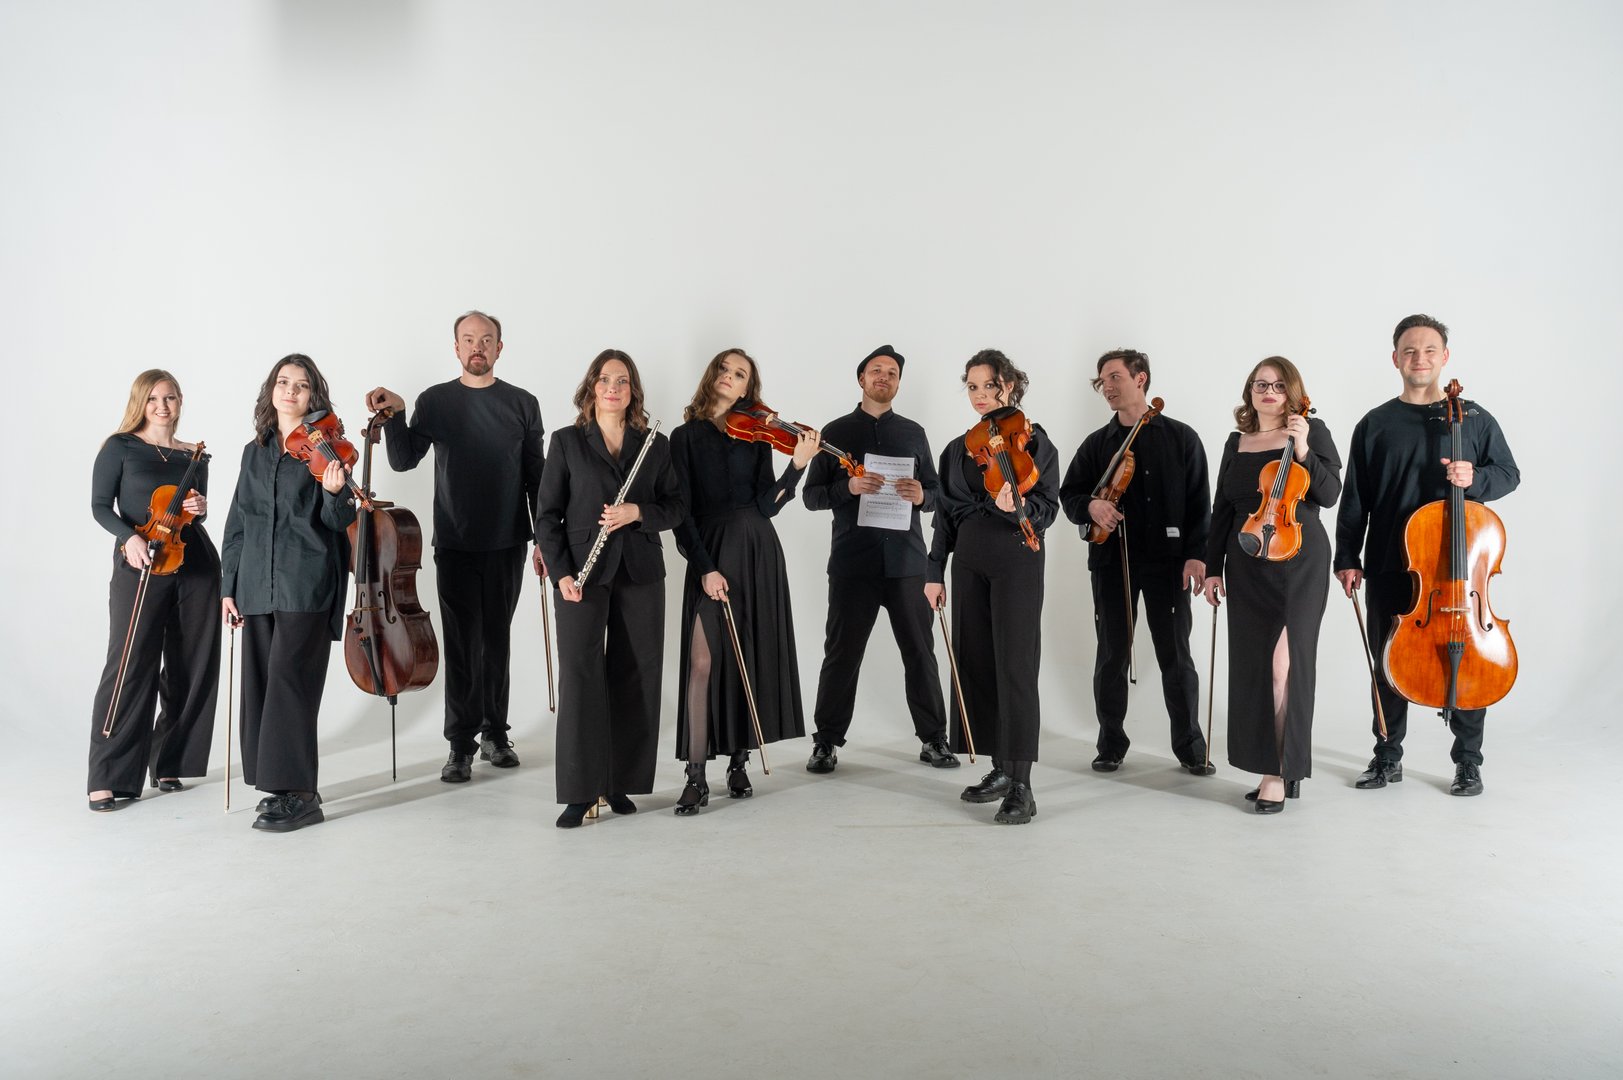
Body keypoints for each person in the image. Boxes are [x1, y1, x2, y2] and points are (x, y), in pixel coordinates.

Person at [1334, 314, 1520, 796]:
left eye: (1429, 350)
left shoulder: (1473, 418)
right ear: (1396, 359)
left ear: (1445, 357)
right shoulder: (1374, 423)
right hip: (1390, 563)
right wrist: (1347, 557)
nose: (1420, 358)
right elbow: (1355, 498)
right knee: (1388, 661)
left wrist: (1475, 478)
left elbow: (1508, 473)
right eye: (1410, 351)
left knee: (1469, 657)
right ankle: (1387, 756)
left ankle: (1468, 763)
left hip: (1456, 571)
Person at [366, 311, 545, 783]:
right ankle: (460, 745)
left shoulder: (523, 404)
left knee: (497, 640)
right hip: (455, 542)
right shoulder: (435, 401)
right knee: (463, 644)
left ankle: (496, 735)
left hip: (507, 540)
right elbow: (403, 460)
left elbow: (537, 478)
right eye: (468, 339)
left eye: (486, 339)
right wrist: (397, 413)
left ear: (499, 348)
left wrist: (545, 539)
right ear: (456, 348)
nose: (477, 347)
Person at [535, 350, 684, 829]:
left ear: (633, 390)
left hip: (641, 570)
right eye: (604, 380)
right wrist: (561, 574)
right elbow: (547, 517)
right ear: (591, 388)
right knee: (580, 675)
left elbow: (676, 507)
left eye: (622, 381)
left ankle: (619, 781)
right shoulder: (566, 442)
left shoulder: (655, 445)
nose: (613, 388)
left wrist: (638, 513)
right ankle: (580, 790)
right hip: (581, 571)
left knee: (636, 673)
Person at [668, 348, 814, 814]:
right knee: (702, 661)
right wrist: (704, 567)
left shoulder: (756, 434)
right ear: (712, 375)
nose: (730, 377)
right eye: (725, 369)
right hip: (710, 550)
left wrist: (797, 466)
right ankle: (695, 776)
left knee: (746, 652)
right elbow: (681, 513)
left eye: (740, 374)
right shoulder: (684, 436)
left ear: (749, 387)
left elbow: (768, 504)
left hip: (756, 549)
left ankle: (738, 762)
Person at [801, 345, 958, 774]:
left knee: (920, 653)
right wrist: (848, 489)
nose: (884, 376)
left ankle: (934, 739)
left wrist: (922, 494)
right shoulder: (835, 432)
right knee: (841, 654)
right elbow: (811, 496)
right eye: (876, 370)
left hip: (908, 564)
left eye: (892, 372)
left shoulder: (913, 432)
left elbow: (937, 494)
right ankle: (826, 742)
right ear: (862, 379)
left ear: (898, 383)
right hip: (853, 564)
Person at [1058, 348, 1214, 776]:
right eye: (1101, 381)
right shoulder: (1097, 443)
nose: (1106, 387)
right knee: (1112, 655)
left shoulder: (1182, 437)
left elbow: (1200, 504)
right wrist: (1092, 506)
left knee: (1176, 656)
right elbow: (1069, 495)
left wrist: (1196, 556)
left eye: (1114, 377)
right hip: (1113, 560)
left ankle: (1190, 746)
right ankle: (1110, 744)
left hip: (1169, 563)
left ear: (1140, 378)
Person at [220, 354, 357, 832]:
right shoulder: (252, 452)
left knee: (290, 684)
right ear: (272, 390)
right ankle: (276, 786)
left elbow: (339, 521)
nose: (291, 391)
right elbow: (237, 521)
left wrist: (335, 493)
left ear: (313, 395)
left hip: (306, 580)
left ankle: (299, 793)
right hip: (256, 583)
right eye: (283, 382)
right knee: (260, 684)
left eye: (301, 385)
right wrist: (228, 586)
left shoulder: (327, 449)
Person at [1201, 358, 1342, 813]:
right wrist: (1213, 566)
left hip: (1299, 560)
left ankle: (1278, 773)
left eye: (1279, 385)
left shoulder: (1312, 431)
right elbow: (1222, 508)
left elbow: (1329, 494)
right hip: (1247, 561)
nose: (1269, 392)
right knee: (1256, 669)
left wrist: (1303, 450)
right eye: (1261, 384)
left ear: (1292, 392)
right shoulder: (1236, 442)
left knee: (1285, 666)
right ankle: (1274, 763)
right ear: (1250, 391)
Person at [925, 350, 1059, 825]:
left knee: (1016, 667)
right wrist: (933, 571)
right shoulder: (957, 448)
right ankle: (999, 769)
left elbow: (1047, 510)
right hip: (969, 564)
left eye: (989, 385)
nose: (980, 395)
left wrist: (1015, 507)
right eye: (973, 387)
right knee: (977, 664)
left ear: (1010, 385)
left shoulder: (1036, 442)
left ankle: (1022, 784)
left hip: (1016, 561)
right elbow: (944, 514)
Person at [87, 370, 220, 812]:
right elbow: (100, 506)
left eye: (170, 398)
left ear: (180, 402)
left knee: (190, 664)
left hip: (195, 564)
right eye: (153, 399)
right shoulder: (120, 447)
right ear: (140, 403)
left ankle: (168, 761)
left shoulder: (195, 455)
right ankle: (108, 776)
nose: (162, 406)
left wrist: (200, 507)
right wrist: (129, 538)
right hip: (141, 561)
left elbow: (194, 516)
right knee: (130, 663)